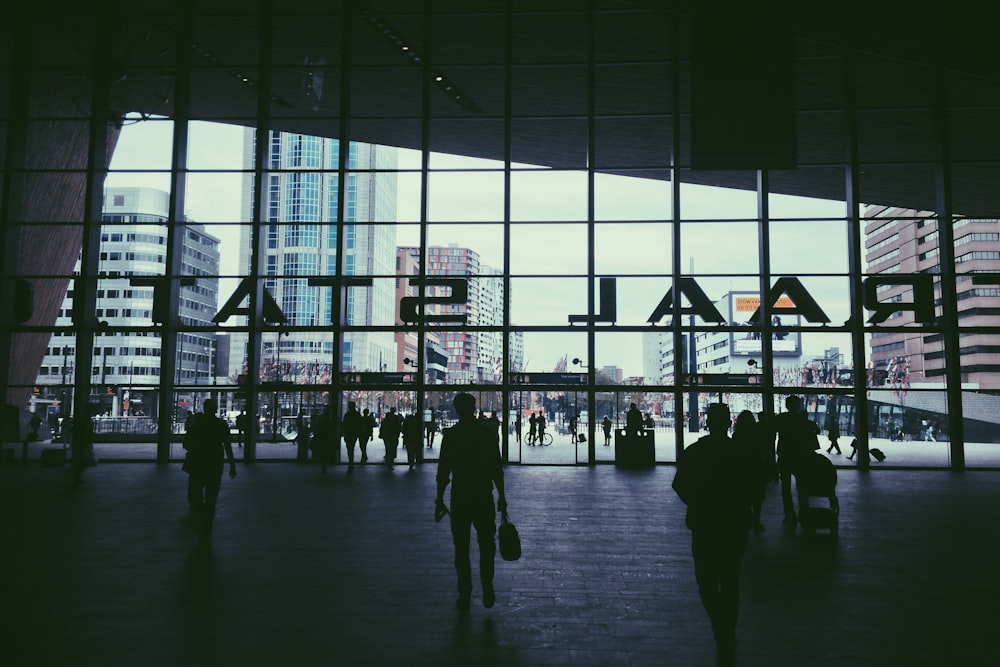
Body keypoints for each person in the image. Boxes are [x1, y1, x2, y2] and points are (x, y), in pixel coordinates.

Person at [672, 402, 756, 654]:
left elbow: (680, 485)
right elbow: (755, 486)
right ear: (729, 423)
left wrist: (697, 502)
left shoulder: (695, 451)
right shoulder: (741, 452)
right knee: (730, 579)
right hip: (734, 523)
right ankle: (726, 628)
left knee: (706, 581)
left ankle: (720, 623)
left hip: (704, 523)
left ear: (707, 423)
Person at [435, 393, 508, 611]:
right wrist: (502, 497)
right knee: (487, 545)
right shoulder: (487, 434)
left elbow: (443, 471)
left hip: (460, 497)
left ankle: (464, 592)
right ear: (474, 407)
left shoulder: (451, 436)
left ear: (457, 410)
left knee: (461, 548)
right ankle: (487, 585)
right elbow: (497, 469)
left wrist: (439, 498)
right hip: (483, 496)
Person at [182, 398, 237, 541]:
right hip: (215, 462)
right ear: (216, 409)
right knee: (212, 496)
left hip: (199, 462)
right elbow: (227, 446)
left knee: (196, 492)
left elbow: (186, 444)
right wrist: (232, 464)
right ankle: (207, 524)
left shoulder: (197, 425)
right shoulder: (221, 425)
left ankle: (201, 517)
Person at [772, 395, 820, 526]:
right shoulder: (802, 420)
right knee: (802, 486)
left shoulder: (781, 419)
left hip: (785, 455)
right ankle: (804, 512)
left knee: (785, 488)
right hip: (800, 456)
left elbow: (771, 430)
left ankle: (789, 514)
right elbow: (815, 429)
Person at [732, 410, 769, 533]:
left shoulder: (737, 436)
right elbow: (763, 452)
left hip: (741, 470)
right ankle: (756, 521)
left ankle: (744, 520)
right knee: (757, 499)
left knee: (743, 497)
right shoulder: (757, 435)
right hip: (755, 469)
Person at [71, 404, 98, 485]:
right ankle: (75, 476)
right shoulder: (86, 419)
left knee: (82, 460)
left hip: (83, 441)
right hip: (84, 441)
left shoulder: (84, 418)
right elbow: (86, 431)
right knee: (84, 459)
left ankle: (76, 475)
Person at [311, 404, 338, 474]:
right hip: (327, 437)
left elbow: (317, 427)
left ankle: (323, 465)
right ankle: (325, 464)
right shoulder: (330, 419)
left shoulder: (321, 419)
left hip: (322, 437)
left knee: (323, 451)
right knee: (326, 451)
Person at [342, 401, 363, 472]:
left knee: (350, 449)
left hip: (349, 433)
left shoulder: (347, 414)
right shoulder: (357, 414)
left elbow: (344, 425)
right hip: (354, 434)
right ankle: (351, 463)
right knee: (351, 448)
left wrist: (344, 433)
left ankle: (351, 463)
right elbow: (360, 424)